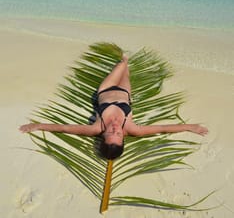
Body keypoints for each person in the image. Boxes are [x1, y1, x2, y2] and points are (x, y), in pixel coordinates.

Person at [19, 55, 208, 160]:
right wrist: (191, 127)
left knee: (123, 62)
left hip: (106, 89)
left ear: (103, 136)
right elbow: (163, 128)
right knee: (127, 70)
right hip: (125, 92)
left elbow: (64, 128)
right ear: (123, 139)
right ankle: (125, 62)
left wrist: (38, 125)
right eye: (118, 135)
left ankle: (122, 58)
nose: (116, 130)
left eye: (111, 133)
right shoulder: (132, 129)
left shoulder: (95, 128)